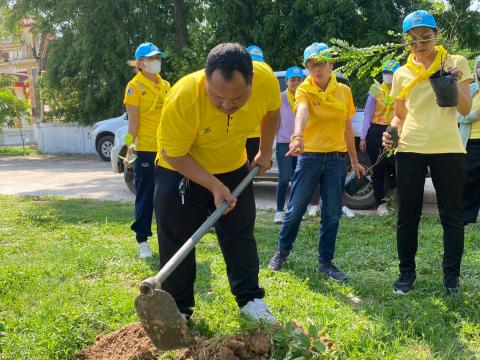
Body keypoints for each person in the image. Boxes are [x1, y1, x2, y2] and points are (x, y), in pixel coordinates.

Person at [154, 43, 280, 322]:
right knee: (177, 239)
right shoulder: (184, 98)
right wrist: (212, 185)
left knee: (239, 234)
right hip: (180, 170)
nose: (226, 106)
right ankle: (179, 308)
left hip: (232, 166)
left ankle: (250, 299)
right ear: (206, 80)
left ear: (252, 83)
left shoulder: (267, 80)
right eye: (217, 97)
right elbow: (173, 153)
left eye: (236, 99)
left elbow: (272, 113)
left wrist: (266, 150)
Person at [383, 10, 473, 295]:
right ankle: (406, 274)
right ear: (406, 42)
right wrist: (390, 132)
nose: (420, 44)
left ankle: (451, 278)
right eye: (413, 40)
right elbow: (400, 115)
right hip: (410, 148)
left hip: (448, 147)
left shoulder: (454, 62)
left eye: (425, 37)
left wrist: (447, 80)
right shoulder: (401, 73)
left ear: (436, 34)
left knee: (452, 215)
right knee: (407, 215)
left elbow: (466, 109)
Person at [268, 42, 365, 281]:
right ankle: (282, 251)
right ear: (307, 68)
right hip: (309, 157)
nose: (317, 69)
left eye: (321, 63)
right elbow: (302, 111)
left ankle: (325, 262)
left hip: (335, 160)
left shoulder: (343, 92)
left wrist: (354, 160)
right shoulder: (304, 89)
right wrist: (298, 136)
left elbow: (346, 127)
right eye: (312, 65)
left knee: (332, 214)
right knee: (295, 210)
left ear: (331, 64)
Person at [123, 42, 170, 258]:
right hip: (145, 150)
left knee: (168, 197)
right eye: (152, 58)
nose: (156, 61)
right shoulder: (134, 87)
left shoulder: (166, 85)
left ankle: (168, 239)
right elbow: (132, 124)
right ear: (141, 63)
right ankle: (142, 239)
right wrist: (129, 148)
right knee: (145, 197)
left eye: (158, 57)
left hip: (167, 150)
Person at [360, 60, 400, 216]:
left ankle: (397, 200)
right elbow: (367, 114)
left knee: (397, 167)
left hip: (394, 130)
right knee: (378, 169)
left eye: (390, 73)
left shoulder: (401, 89)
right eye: (385, 72)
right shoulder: (375, 89)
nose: (387, 76)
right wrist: (363, 137)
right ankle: (380, 204)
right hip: (376, 130)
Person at [274, 66, 304, 223]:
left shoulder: (305, 97)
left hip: (301, 144)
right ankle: (279, 211)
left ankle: (294, 211)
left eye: (299, 80)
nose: (296, 83)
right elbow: (274, 121)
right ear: (286, 82)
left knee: (298, 179)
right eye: (293, 80)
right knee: (284, 178)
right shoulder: (280, 98)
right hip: (284, 143)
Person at [458, 55, 480, 226]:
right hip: (472, 143)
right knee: (469, 181)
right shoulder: (470, 89)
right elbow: (460, 116)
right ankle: (467, 218)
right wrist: (475, 114)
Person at [245, 45, 267, 163]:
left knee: (250, 172)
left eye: (258, 62)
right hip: (238, 134)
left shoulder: (267, 83)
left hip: (257, 135)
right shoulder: (236, 80)